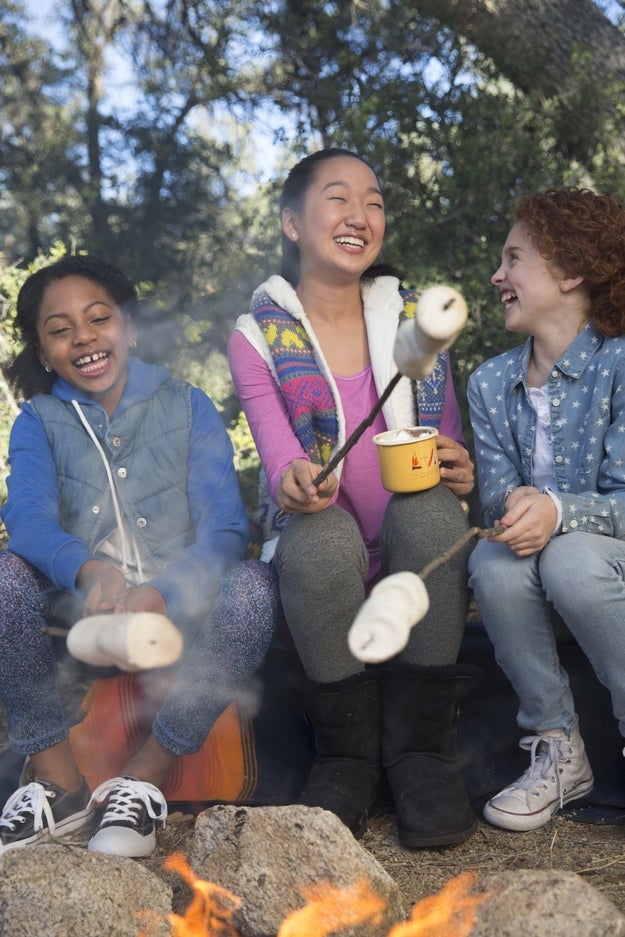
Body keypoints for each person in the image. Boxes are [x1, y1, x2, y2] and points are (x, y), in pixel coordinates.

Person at [227, 147, 479, 848]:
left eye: (372, 201)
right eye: (337, 198)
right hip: (325, 560)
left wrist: (457, 469)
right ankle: (347, 755)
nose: (359, 215)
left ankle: (420, 751)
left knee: (430, 508)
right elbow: (277, 449)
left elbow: (443, 441)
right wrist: (292, 479)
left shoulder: (414, 323)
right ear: (291, 222)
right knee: (317, 533)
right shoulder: (258, 336)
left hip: (409, 551)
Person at [0, 255, 276, 858]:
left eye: (98, 318)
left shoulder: (186, 405)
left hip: (182, 605)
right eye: (60, 329)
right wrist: (88, 568)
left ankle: (141, 781)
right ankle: (56, 779)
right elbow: (26, 519)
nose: (84, 338)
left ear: (126, 326)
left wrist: (163, 592)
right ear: (45, 354)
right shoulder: (39, 421)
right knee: (3, 576)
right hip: (84, 609)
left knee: (255, 584)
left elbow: (225, 529)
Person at [467, 186, 625, 832]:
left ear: (569, 272)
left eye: (514, 259)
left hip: (601, 554)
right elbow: (498, 497)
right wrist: (516, 515)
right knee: (493, 559)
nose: (497, 276)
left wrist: (556, 510)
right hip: (541, 557)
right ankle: (557, 745)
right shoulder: (486, 383)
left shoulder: (619, 363)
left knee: (571, 560)